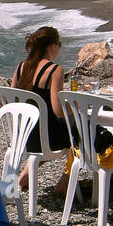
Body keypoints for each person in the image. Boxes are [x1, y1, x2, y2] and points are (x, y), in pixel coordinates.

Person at [11, 26, 71, 190]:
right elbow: (58, 111)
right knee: (80, 132)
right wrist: (76, 105)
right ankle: (65, 182)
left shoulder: (21, 67)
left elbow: (13, 101)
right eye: (59, 44)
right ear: (52, 46)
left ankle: (24, 176)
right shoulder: (54, 70)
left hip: (22, 137)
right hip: (46, 139)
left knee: (54, 131)